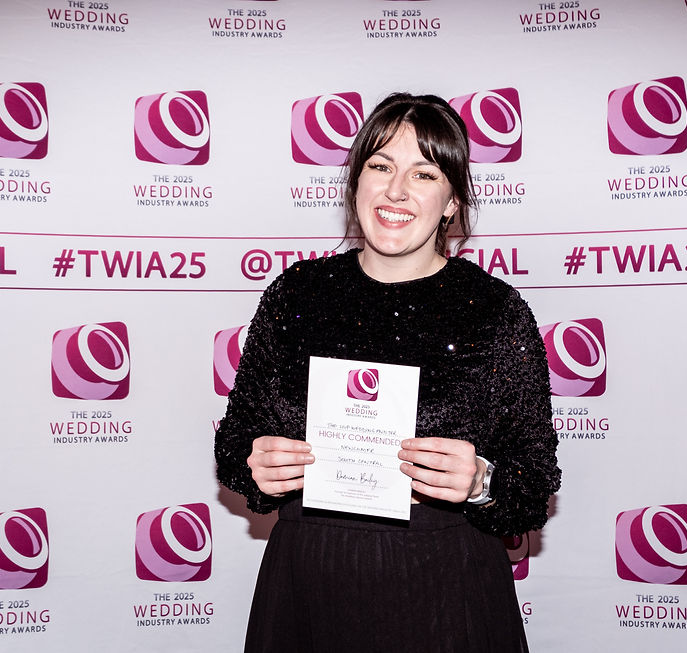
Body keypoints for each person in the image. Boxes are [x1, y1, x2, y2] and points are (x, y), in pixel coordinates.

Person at [215, 92, 561, 653]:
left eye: (424, 174)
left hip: (446, 583)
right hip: (311, 578)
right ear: (356, 182)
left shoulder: (495, 309)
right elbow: (234, 446)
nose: (396, 190)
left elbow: (534, 481)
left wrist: (481, 482)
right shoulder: (295, 294)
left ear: (451, 201)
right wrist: (255, 465)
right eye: (380, 166)